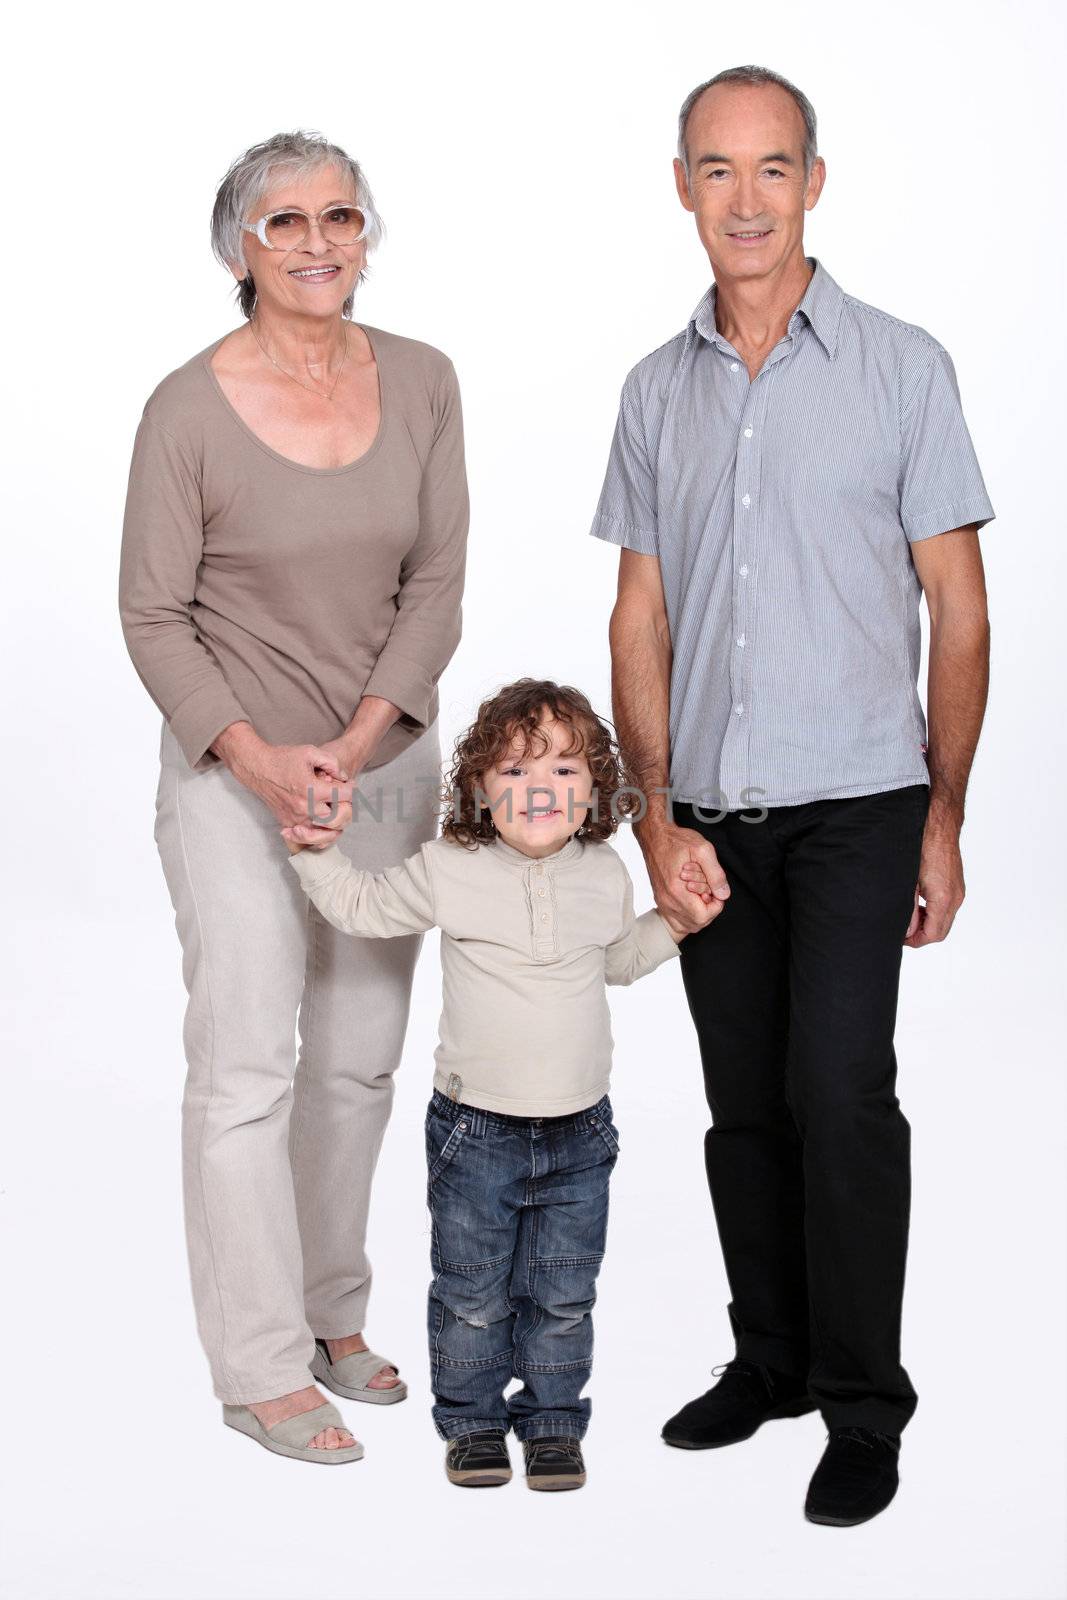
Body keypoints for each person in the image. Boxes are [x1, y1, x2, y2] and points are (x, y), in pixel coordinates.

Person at [589, 66, 995, 1525]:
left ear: (812, 182)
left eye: (771, 170)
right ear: (681, 186)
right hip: (707, 812)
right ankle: (764, 1366)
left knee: (837, 1092)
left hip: (858, 800)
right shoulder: (653, 389)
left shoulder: (900, 367)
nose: (744, 200)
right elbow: (639, 619)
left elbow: (955, 607)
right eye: (715, 170)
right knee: (739, 1103)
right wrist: (650, 812)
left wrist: (942, 816)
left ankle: (861, 1403)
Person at [118, 131, 469, 1463]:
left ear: (366, 234)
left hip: (382, 770)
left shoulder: (426, 381)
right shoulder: (185, 410)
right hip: (231, 775)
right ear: (237, 252)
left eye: (341, 215)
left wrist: (364, 738)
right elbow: (151, 617)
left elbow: (434, 585)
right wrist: (265, 761)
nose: (319, 241)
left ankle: (331, 1314)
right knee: (251, 1063)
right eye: (284, 224)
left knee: (360, 1063)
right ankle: (258, 1366)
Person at [281, 679, 720, 1488]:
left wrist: (677, 925)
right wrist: (315, 851)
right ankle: (473, 1422)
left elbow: (617, 964)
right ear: (479, 792)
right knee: (472, 1293)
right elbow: (363, 906)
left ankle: (553, 1422)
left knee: (561, 1296)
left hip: (580, 1131)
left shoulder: (604, 874)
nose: (539, 788)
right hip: (473, 1130)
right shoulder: (451, 866)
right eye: (513, 772)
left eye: (562, 769)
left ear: (596, 789)